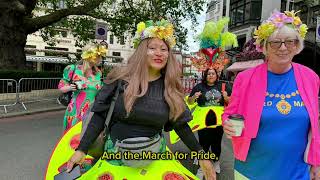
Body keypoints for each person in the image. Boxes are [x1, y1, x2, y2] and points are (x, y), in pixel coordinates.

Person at [66, 19, 216, 180]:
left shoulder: (170, 87)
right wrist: (82, 149)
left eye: (163, 49)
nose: (158, 53)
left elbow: (181, 125)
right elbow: (99, 116)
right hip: (116, 158)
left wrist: (201, 154)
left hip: (155, 159)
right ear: (142, 51)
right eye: (152, 48)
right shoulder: (120, 78)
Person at [222, 10, 320, 179]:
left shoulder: (311, 77)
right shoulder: (245, 79)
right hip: (251, 170)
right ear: (264, 46)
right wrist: (227, 124)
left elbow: (314, 124)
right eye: (275, 42)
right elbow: (230, 114)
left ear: (297, 46)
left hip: (297, 171)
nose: (283, 48)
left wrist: (316, 161)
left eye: (290, 42)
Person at [188, 68, 231, 176]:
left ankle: (216, 162)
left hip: (218, 121)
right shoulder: (199, 87)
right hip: (203, 122)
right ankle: (203, 167)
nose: (211, 75)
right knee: (204, 144)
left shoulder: (223, 86)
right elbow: (189, 101)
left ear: (217, 75)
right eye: (208, 74)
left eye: (213, 73)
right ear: (205, 75)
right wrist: (194, 96)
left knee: (216, 143)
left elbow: (232, 102)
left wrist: (226, 97)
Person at [58, 44, 107, 133]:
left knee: (86, 137)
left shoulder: (98, 73)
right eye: (97, 57)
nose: (99, 60)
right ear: (89, 56)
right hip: (75, 111)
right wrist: (70, 87)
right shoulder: (73, 69)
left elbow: (99, 90)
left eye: (100, 57)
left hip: (92, 111)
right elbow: (61, 87)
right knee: (73, 138)